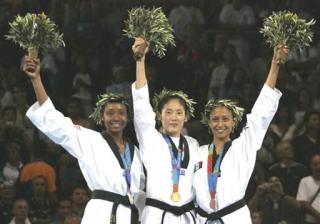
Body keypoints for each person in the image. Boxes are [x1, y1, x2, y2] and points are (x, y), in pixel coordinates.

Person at [21, 56, 144, 224]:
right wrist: (36, 80)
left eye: (121, 112)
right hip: (101, 213)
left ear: (128, 118)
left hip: (131, 215)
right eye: (110, 113)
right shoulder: (90, 139)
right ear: (101, 117)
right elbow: (54, 121)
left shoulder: (134, 151)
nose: (116, 117)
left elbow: (141, 192)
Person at [194, 44, 289, 223]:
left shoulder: (243, 146)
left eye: (225, 119)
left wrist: (275, 65)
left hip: (233, 218)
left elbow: (261, 114)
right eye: (215, 119)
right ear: (208, 123)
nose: (220, 124)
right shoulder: (198, 152)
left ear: (234, 122)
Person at [132, 38, 200, 223]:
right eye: (168, 112)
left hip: (187, 217)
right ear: (158, 115)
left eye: (179, 113)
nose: (173, 117)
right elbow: (140, 107)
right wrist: (140, 61)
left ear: (186, 117)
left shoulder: (193, 145)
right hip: (156, 215)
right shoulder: (151, 139)